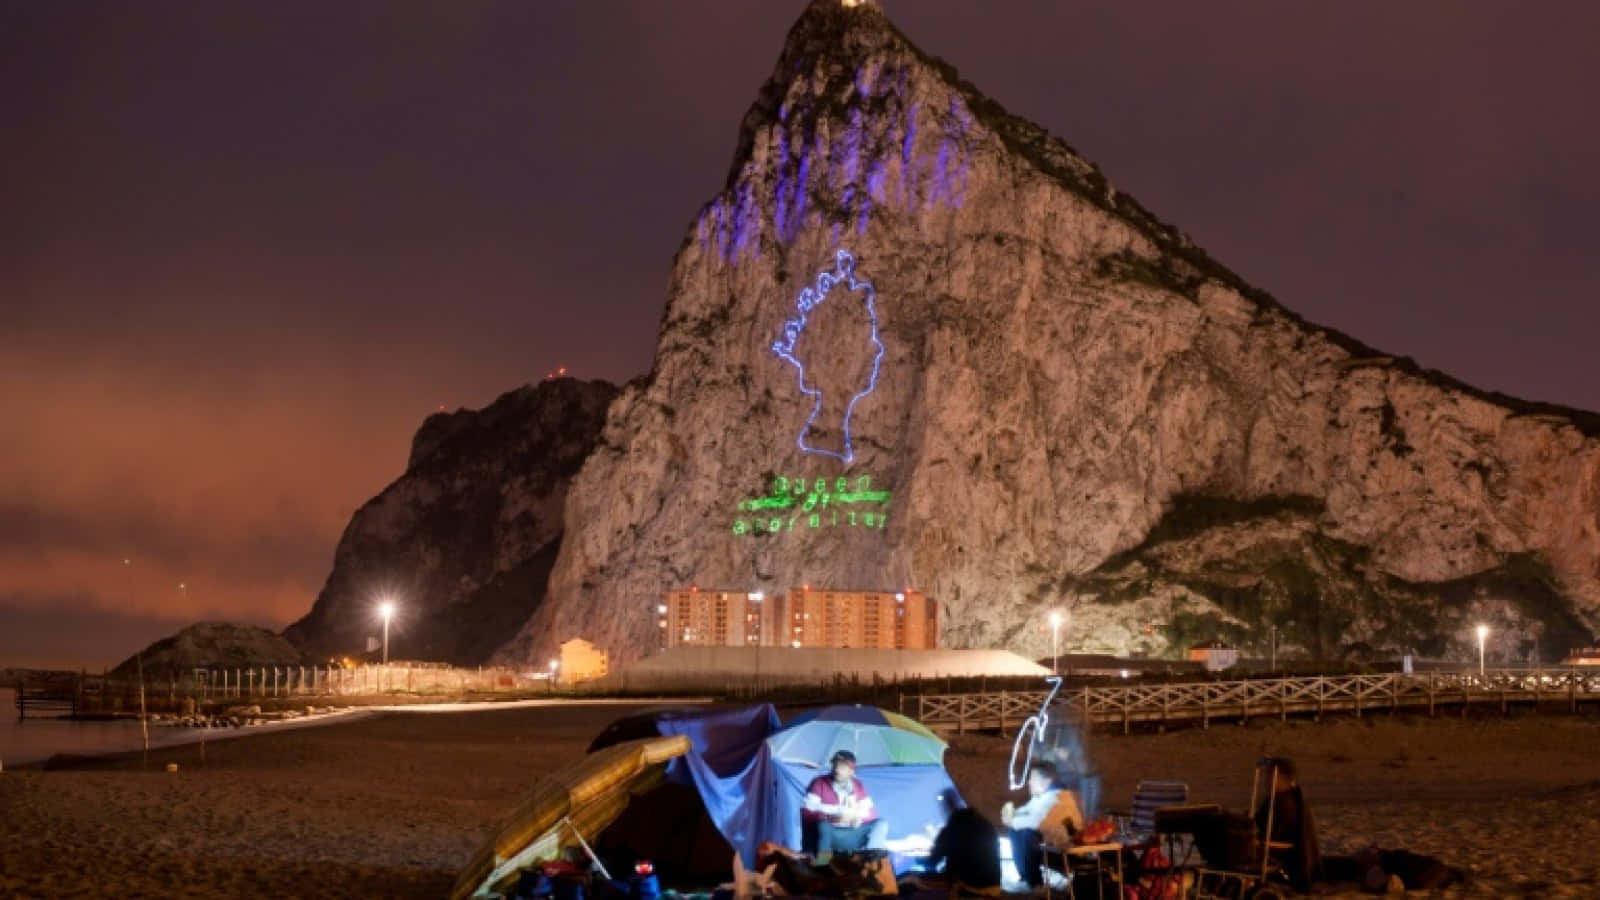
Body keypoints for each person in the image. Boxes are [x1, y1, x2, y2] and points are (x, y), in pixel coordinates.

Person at [1001, 760, 1083, 890]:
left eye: (1032, 779)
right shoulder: (1044, 798)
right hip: (1053, 848)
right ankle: (1029, 880)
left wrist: (1015, 819)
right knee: (1017, 831)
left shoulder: (1058, 799)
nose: (1029, 783)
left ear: (1046, 781)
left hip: (1068, 854)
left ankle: (1035, 884)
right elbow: (1021, 815)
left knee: (1028, 834)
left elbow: (1037, 822)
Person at [1254, 757, 1321, 892]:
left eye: (1270, 776)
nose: (1266, 781)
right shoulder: (1283, 798)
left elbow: (1275, 835)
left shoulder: (1284, 804)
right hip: (1272, 848)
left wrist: (1254, 840)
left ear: (1283, 778)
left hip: (1278, 856)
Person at [803, 750, 888, 856]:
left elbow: (871, 813)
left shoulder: (858, 785)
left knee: (881, 824)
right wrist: (835, 814)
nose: (837, 770)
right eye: (835, 765)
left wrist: (855, 817)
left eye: (842, 767)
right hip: (830, 832)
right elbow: (807, 811)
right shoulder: (819, 783)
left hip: (851, 833)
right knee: (823, 826)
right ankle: (823, 862)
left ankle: (870, 858)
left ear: (851, 771)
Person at [923, 803, 1002, 894]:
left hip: (970, 889)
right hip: (994, 888)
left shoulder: (951, 829)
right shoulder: (987, 826)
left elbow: (932, 861)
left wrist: (918, 860)